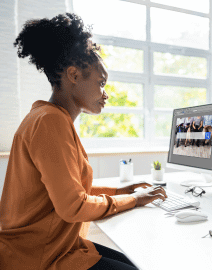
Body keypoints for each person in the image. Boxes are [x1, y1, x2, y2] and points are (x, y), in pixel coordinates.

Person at [0, 13, 167, 270]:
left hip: (56, 246)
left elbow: (73, 190)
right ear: (74, 75)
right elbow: (74, 206)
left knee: (136, 262)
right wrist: (133, 200)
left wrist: (124, 191)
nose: (106, 94)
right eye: (101, 83)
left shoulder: (49, 117)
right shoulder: (49, 122)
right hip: (39, 258)